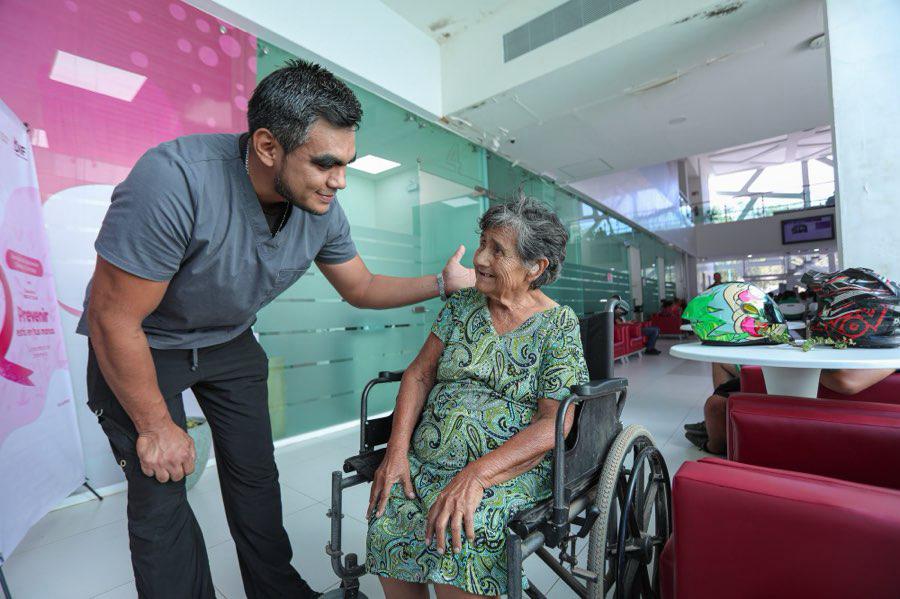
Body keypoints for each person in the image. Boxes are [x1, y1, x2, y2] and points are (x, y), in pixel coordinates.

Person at [79, 60, 475, 599]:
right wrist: (154, 426)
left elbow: (360, 286)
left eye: (346, 163)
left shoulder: (321, 208)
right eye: (325, 163)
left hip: (228, 340)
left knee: (255, 478)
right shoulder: (175, 180)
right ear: (268, 146)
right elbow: (113, 317)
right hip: (143, 342)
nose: (339, 180)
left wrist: (441, 283)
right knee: (160, 486)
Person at [365, 198, 588, 598]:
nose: (481, 258)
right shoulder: (462, 305)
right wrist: (396, 452)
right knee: (388, 512)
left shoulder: (558, 325)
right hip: (427, 461)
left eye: (497, 250)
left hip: (505, 471)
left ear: (535, 267)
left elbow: (553, 423)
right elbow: (419, 374)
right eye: (482, 243)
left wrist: (477, 475)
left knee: (462, 533)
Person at [686, 367, 896, 455]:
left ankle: (713, 441)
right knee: (721, 394)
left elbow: (846, 382)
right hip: (806, 389)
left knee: (715, 405)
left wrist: (797, 360)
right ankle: (716, 427)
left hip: (807, 394)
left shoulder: (890, 352)